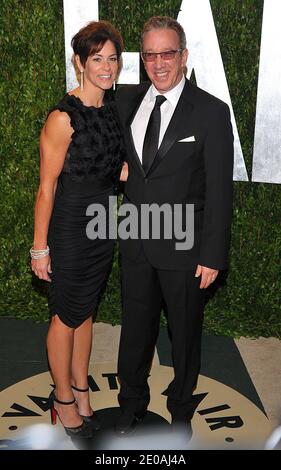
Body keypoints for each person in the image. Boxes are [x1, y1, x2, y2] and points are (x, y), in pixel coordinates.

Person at [115, 16, 234, 437]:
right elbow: (108, 154)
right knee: (134, 330)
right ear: (142, 58)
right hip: (135, 240)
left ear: (183, 55)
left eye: (168, 53)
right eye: (151, 54)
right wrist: (121, 172)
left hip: (186, 246)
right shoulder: (126, 101)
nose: (159, 63)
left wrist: (213, 254)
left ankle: (181, 409)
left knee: (184, 334)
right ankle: (130, 404)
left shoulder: (212, 112)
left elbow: (220, 189)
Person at [31, 20, 127, 438]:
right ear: (79, 62)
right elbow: (46, 189)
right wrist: (40, 248)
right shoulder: (62, 119)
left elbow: (115, 167)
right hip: (70, 227)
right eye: (97, 59)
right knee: (64, 318)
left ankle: (82, 390)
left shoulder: (111, 109)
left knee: (86, 314)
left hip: (103, 225)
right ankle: (63, 399)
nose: (106, 67)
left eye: (112, 58)